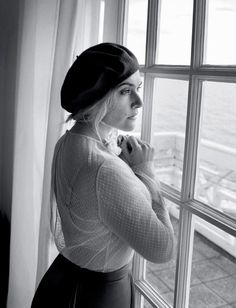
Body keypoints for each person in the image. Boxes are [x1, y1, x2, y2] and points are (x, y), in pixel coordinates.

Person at [31, 42, 175, 308]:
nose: (139, 102)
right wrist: (146, 173)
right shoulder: (103, 168)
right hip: (97, 296)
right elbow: (162, 249)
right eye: (125, 91)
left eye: (138, 88)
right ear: (97, 96)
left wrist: (122, 167)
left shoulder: (69, 141)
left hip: (62, 281)